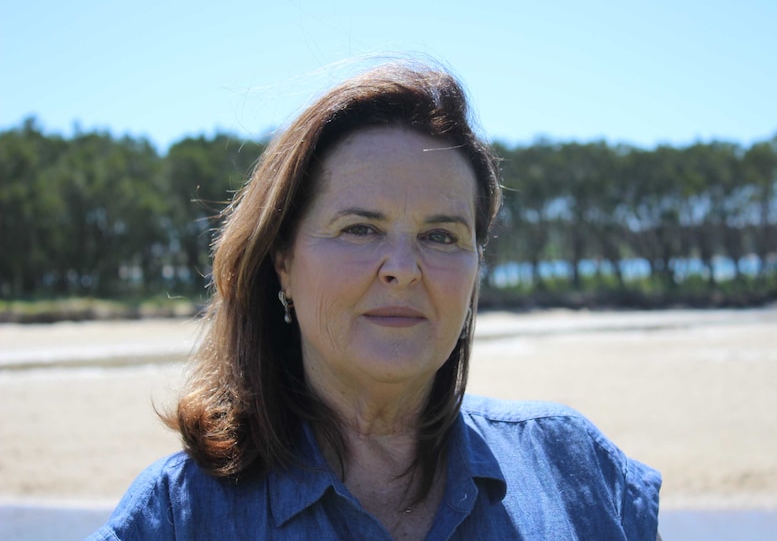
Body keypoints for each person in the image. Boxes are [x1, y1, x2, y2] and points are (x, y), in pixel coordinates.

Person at [87, 60, 661, 540]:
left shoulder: (573, 470)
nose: (404, 270)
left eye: (442, 236)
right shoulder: (177, 518)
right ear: (282, 261)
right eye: (361, 228)